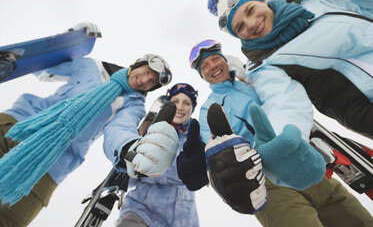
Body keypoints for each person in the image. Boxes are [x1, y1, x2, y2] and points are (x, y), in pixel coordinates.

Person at [178, 39, 373, 226]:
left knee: (358, 219)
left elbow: (285, 99)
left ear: (224, 59)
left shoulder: (252, 80)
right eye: (204, 66)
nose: (212, 66)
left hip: (302, 161)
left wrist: (248, 75)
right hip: (265, 182)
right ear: (202, 76)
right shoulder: (209, 108)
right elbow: (214, 146)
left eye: (215, 59)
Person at [0, 26, 176, 226]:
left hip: (49, 165)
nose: (144, 81)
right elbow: (42, 66)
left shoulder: (132, 104)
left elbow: (121, 130)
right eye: (146, 72)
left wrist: (130, 148)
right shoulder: (91, 66)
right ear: (137, 64)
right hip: (17, 124)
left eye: (151, 82)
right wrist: (68, 38)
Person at [207, 0, 373, 140]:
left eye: (250, 10)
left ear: (263, 2)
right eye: (240, 27)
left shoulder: (307, 1)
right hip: (365, 105)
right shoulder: (265, 65)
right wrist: (281, 142)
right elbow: (284, 104)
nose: (250, 24)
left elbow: (365, 9)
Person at [115, 83, 200, 227]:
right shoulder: (150, 133)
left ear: (192, 109)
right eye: (175, 102)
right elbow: (132, 178)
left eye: (186, 103)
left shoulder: (196, 139)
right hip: (140, 212)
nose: (180, 107)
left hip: (184, 219)